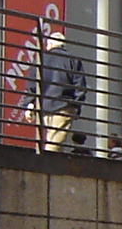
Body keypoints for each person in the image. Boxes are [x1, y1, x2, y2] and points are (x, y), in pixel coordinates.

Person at [34, 23, 85, 153]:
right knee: (54, 143)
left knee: (45, 139)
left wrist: (29, 103)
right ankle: (46, 167)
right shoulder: (73, 60)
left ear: (49, 44)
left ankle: (43, 163)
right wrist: (76, 105)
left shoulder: (41, 59)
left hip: (44, 105)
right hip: (64, 105)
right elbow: (80, 85)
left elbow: (32, 83)